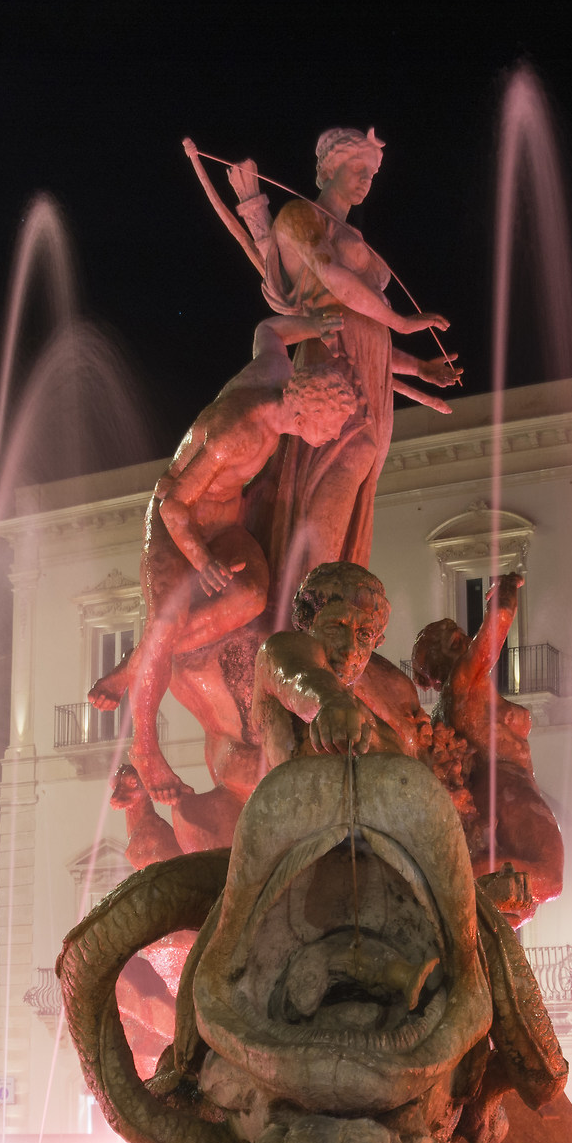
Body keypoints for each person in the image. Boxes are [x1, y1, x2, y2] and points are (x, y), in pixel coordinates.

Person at [90, 312, 356, 803]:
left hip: (224, 523)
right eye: (329, 428)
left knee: (253, 596)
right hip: (176, 528)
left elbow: (267, 334)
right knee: (168, 619)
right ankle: (145, 746)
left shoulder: (277, 377)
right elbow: (174, 505)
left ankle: (138, 662)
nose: (329, 438)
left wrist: (315, 327)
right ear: (306, 415)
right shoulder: (237, 431)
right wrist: (201, 562)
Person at [261, 129, 461, 604]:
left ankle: (333, 600)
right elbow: (332, 277)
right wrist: (401, 321)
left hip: (371, 369)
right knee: (343, 459)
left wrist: (419, 369)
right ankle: (313, 606)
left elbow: (371, 333)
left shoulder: (357, 235)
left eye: (371, 174)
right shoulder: (300, 216)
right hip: (330, 360)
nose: (366, 181)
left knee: (358, 482)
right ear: (329, 167)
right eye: (358, 169)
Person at [410, 572, 563, 921]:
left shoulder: (449, 708)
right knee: (549, 878)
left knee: (519, 904)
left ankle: (464, 885)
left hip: (502, 791)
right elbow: (494, 634)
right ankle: (456, 883)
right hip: (507, 787)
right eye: (455, 639)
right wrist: (506, 594)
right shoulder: (463, 682)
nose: (466, 639)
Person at [250, 561, 427, 769]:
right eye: (335, 627)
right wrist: (329, 701)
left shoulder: (388, 738)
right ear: (305, 623)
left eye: (364, 635)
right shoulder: (278, 652)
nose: (350, 648)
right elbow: (298, 678)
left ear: (375, 643)